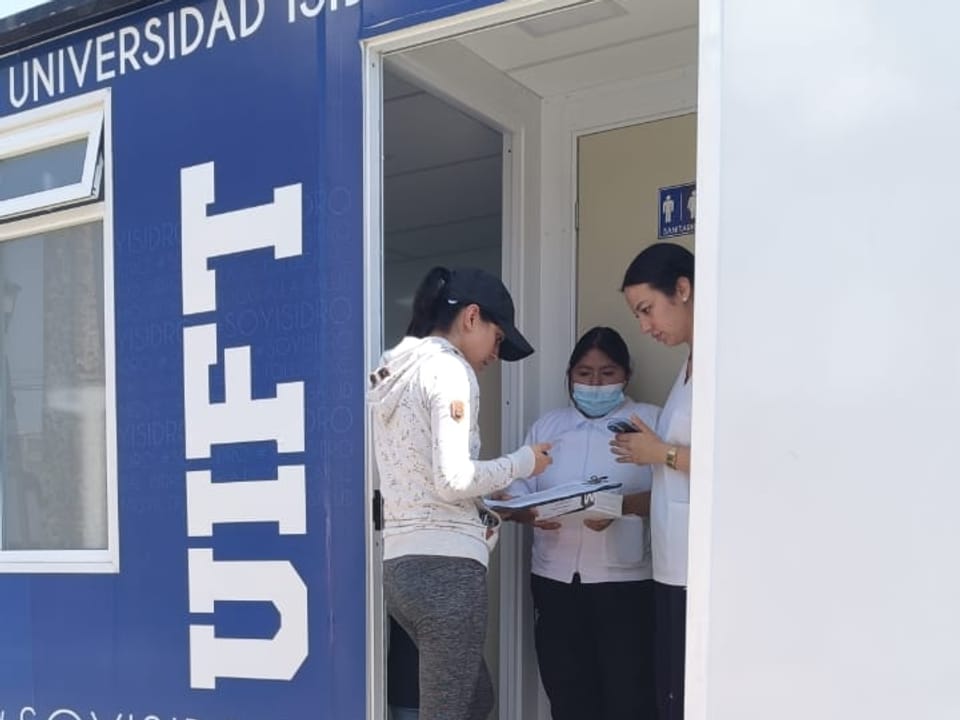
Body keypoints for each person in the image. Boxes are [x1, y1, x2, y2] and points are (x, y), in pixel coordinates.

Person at [369, 266, 552, 720]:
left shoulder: (395, 372)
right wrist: (524, 462)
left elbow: (421, 479)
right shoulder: (450, 370)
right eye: (498, 337)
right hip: (446, 572)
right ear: (472, 317)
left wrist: (483, 508)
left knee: (475, 699)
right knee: (452, 709)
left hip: (401, 569)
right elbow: (453, 479)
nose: (496, 353)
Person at [505, 326, 660, 720]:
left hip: (625, 584)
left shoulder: (648, 423)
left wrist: (620, 506)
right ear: (570, 375)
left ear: (627, 375)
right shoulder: (549, 427)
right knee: (568, 694)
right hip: (555, 582)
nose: (595, 384)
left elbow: (674, 496)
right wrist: (529, 513)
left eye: (607, 374)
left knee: (630, 696)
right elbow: (515, 492)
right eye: (585, 374)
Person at [609, 243, 694, 720]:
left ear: (682, 289)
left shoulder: (725, 363)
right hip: (669, 561)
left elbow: (742, 462)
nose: (644, 327)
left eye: (647, 309)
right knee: (669, 697)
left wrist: (659, 452)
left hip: (698, 569)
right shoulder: (687, 367)